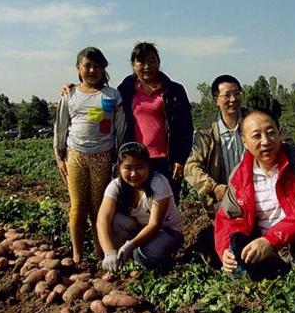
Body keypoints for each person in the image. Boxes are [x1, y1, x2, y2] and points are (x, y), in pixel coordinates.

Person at [214, 110, 295, 279]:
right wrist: (226, 248)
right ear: (244, 142)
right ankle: (272, 277)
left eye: (271, 133)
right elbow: (229, 218)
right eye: (256, 136)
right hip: (264, 246)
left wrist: (272, 239)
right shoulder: (239, 176)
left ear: (279, 133)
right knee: (236, 256)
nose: (265, 141)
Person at [61, 42, 193, 204]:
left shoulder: (174, 91)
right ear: (133, 64)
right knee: (134, 205)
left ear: (158, 63)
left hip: (165, 159)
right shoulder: (126, 89)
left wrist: (180, 158)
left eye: (151, 61)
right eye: (141, 62)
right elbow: (99, 94)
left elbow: (186, 127)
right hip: (134, 158)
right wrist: (76, 87)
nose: (147, 66)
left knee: (166, 206)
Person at [53, 47, 125, 264]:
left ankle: (100, 251)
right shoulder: (70, 95)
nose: (92, 70)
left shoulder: (112, 95)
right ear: (78, 68)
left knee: (98, 208)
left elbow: (120, 127)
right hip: (76, 156)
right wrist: (59, 156)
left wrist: (118, 156)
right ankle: (77, 254)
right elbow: (61, 127)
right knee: (77, 207)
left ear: (104, 69)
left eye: (97, 66)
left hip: (103, 157)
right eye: (87, 65)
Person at [97, 142, 183, 271]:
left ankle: (166, 262)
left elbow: (155, 224)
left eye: (139, 167)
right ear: (119, 168)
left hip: (167, 230)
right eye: (128, 168)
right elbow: (102, 219)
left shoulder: (158, 183)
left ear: (148, 166)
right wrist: (109, 252)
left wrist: (131, 245)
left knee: (146, 255)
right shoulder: (115, 186)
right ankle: (121, 260)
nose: (133, 174)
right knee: (116, 221)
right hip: (140, 227)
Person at [184, 74, 246, 212]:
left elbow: (283, 140)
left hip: (257, 195)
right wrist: (213, 188)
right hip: (223, 201)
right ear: (216, 100)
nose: (233, 99)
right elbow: (191, 166)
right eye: (227, 95)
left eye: (237, 94)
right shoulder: (206, 132)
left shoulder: (255, 122)